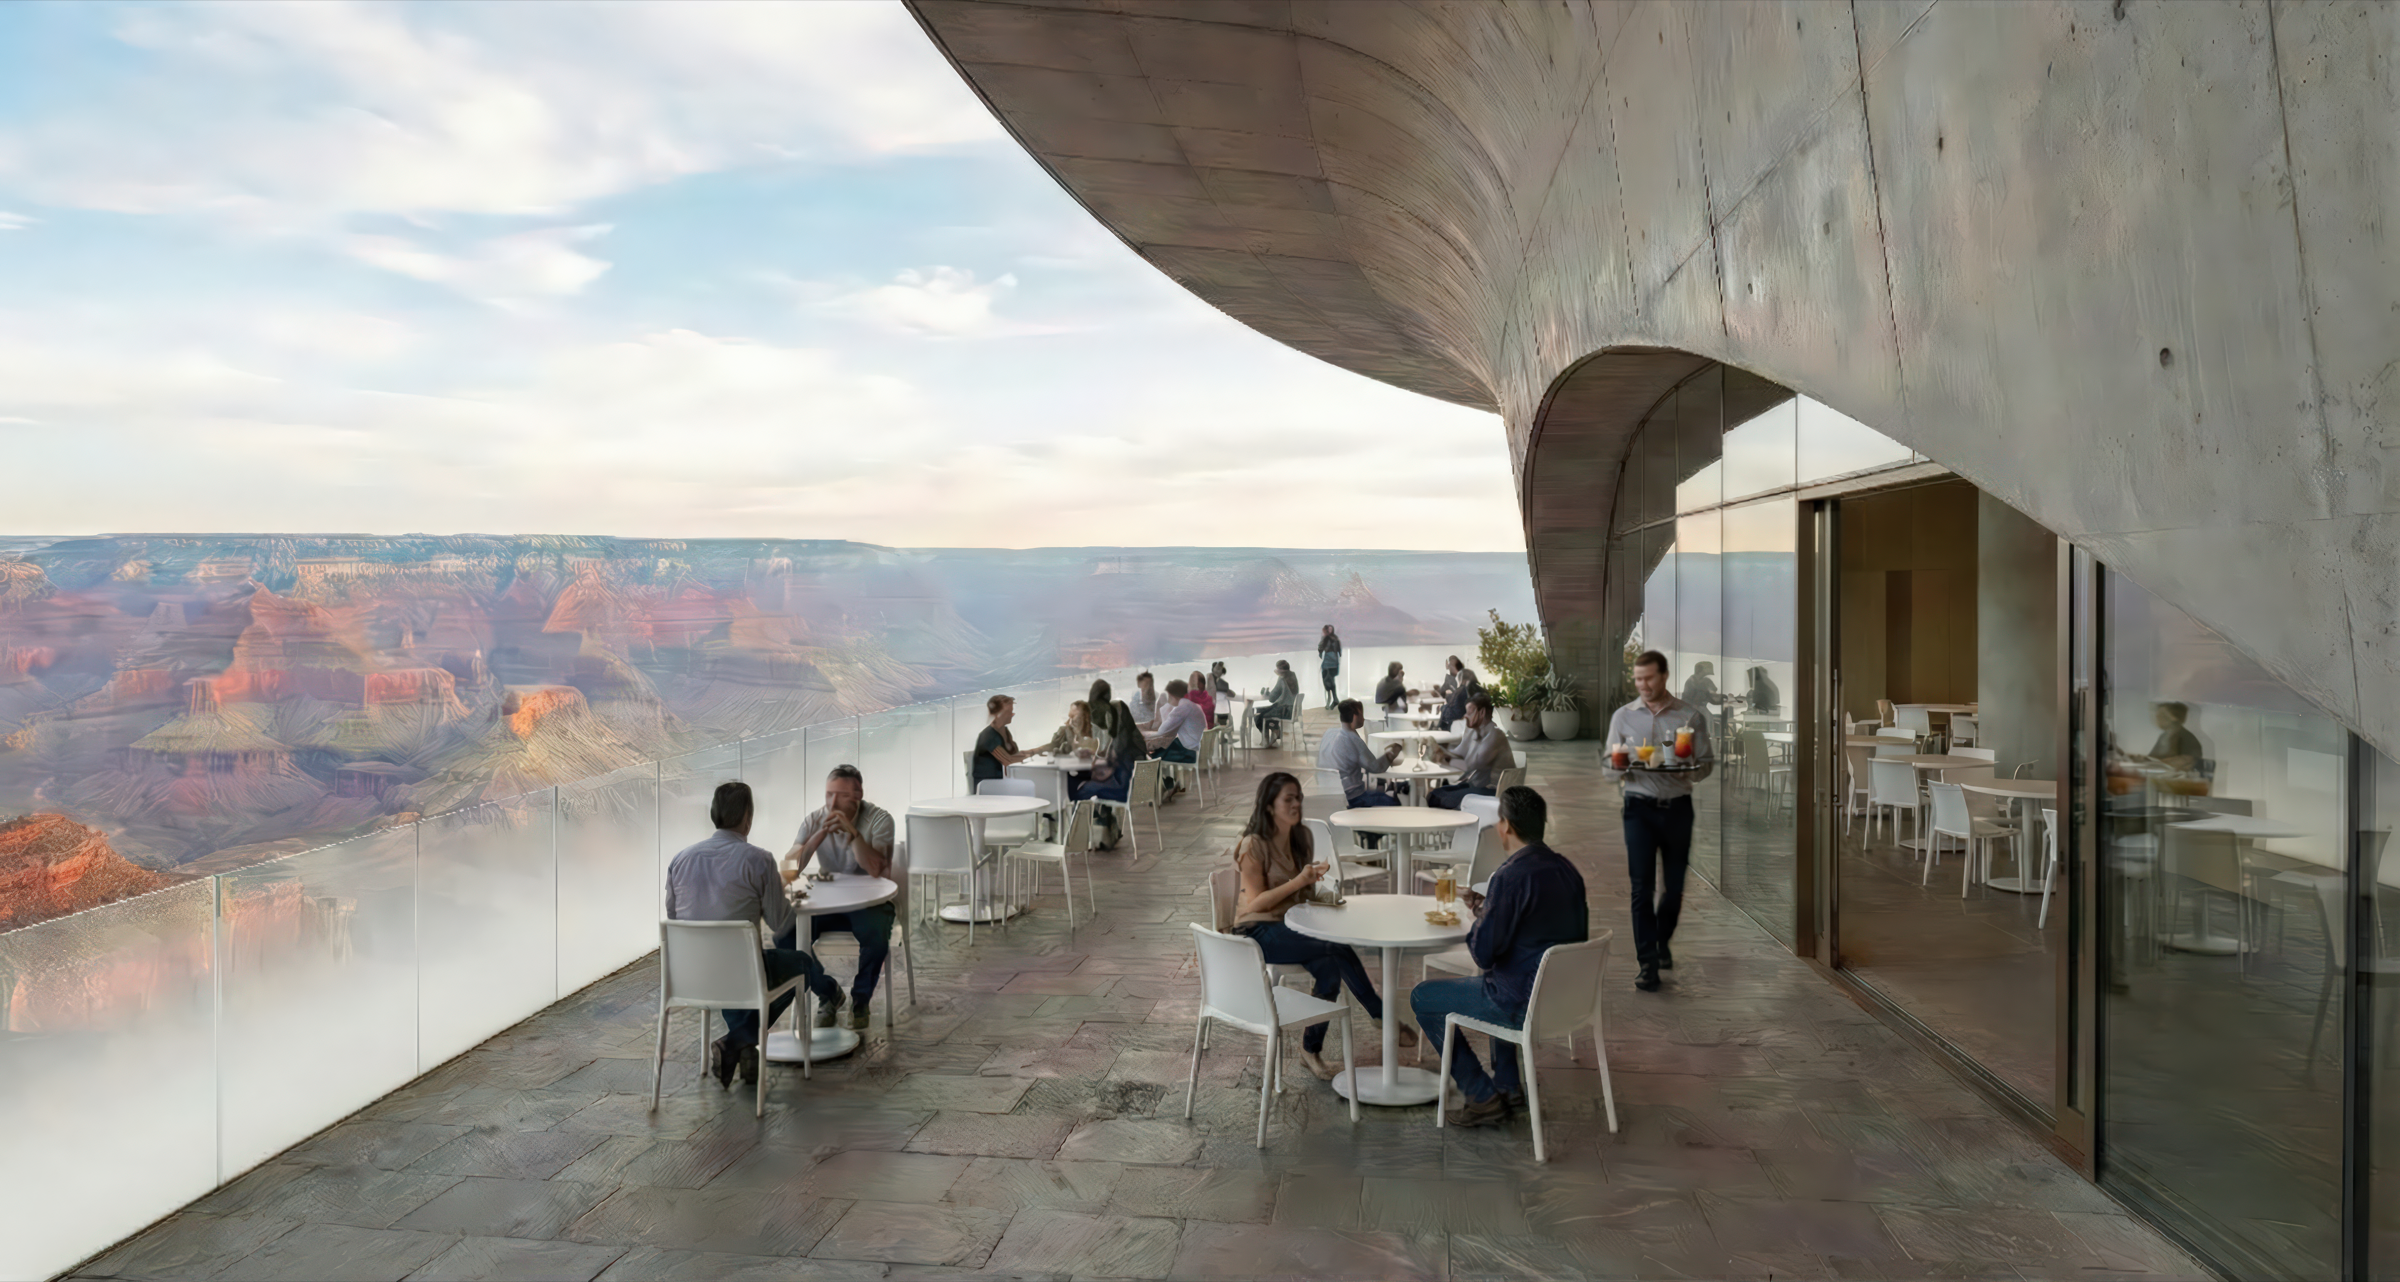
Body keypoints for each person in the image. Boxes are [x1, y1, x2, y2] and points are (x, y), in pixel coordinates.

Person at [1409, 786, 1587, 1126]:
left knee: (1425, 997)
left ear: (1504, 826)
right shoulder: (1568, 871)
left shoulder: (1509, 877)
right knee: (1505, 972)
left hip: (1522, 1003)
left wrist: (1485, 916)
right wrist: (1489, 909)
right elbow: (1545, 931)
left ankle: (1481, 1095)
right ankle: (1508, 1086)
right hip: (1566, 1001)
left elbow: (1482, 953)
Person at [1232, 771, 1412, 1079]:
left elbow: (1303, 893)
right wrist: (1299, 880)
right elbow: (1255, 903)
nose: (1296, 804)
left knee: (1329, 967)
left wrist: (1323, 894)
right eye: (1288, 799)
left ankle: (1309, 1050)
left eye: (1298, 797)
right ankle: (1380, 1013)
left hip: (1291, 927)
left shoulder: (1299, 838)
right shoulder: (1253, 844)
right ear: (1268, 805)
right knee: (1334, 944)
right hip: (1257, 931)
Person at [665, 781, 842, 1086]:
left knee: (741, 972)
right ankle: (738, 1042)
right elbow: (780, 923)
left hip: (689, 976)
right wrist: (780, 893)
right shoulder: (758, 860)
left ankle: (746, 1050)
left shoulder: (679, 860)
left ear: (713, 815)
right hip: (741, 975)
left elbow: (674, 917)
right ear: (748, 817)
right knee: (799, 964)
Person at [1603, 651, 1715, 992]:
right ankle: (1647, 962)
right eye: (1638, 679)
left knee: (1675, 887)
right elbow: (1608, 770)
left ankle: (1661, 939)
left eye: (1649, 678)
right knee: (1641, 888)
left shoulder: (1690, 716)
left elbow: (1706, 766)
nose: (1643, 685)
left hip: (1678, 807)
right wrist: (1619, 764)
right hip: (1638, 808)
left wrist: (1690, 764)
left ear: (1663, 676)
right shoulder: (1623, 717)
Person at [781, 765, 897, 1031]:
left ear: (857, 796)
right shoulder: (814, 820)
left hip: (870, 901)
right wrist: (817, 837)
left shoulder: (879, 820)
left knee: (877, 932)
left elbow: (876, 869)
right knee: (784, 935)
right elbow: (787, 871)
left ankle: (860, 1000)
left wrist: (852, 834)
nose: (832, 803)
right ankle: (828, 991)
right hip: (828, 903)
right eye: (828, 794)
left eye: (841, 796)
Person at [1074, 701, 1146, 849]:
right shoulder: (1132, 735)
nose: (1108, 720)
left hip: (1121, 790)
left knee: (1081, 789)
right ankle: (1100, 824)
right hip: (1131, 788)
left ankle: (1077, 834)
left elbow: (1112, 766)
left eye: (1110, 716)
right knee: (1090, 786)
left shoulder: (1121, 740)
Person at [1318, 698, 1405, 811]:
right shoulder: (1352, 739)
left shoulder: (1330, 733)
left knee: (1380, 791)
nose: (1363, 719)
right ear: (1355, 717)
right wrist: (1394, 751)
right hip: (1353, 798)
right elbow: (1376, 767)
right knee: (1394, 803)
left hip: (1330, 794)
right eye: (1361, 715)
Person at [1428, 691, 1510, 809]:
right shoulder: (1474, 730)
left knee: (1437, 799)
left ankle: (1448, 826)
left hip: (1494, 791)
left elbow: (1471, 765)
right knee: (1434, 794)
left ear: (1481, 712)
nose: (1466, 716)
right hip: (1476, 785)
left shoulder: (1495, 735)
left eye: (1470, 712)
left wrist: (1444, 758)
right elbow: (1459, 752)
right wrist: (1440, 751)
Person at [1145, 679, 1205, 799]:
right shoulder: (1191, 705)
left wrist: (1165, 707)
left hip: (1188, 753)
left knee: (1153, 755)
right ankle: (1167, 784)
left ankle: (1162, 787)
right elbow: (1168, 732)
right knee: (1159, 748)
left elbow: (1162, 731)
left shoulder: (1182, 708)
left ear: (1172, 695)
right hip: (1193, 748)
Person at [971, 694, 1033, 789]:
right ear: (997, 714)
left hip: (1001, 782)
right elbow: (1007, 760)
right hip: (988, 787)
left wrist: (1029, 755)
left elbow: (1014, 754)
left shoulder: (1005, 732)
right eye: (1008, 712)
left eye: (1012, 712)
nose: (1012, 715)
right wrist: (1029, 757)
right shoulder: (988, 736)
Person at [2132, 701, 2205, 773]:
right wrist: (2141, 759)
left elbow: (2186, 762)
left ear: (2174, 717)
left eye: (2162, 715)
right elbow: (2153, 757)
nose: (2157, 718)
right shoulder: (2164, 736)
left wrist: (2153, 762)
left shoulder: (2187, 738)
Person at [1254, 660, 1300, 741]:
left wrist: (1266, 693)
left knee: (1258, 716)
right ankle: (1274, 731)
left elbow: (1272, 699)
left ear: (1279, 670)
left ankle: (1270, 736)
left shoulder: (1282, 678)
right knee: (1261, 710)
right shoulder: (1293, 675)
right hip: (1291, 710)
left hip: (1284, 710)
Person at [1318, 624, 1342, 710]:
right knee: (1330, 681)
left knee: (1327, 682)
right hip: (1333, 663)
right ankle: (1334, 699)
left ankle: (1331, 699)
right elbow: (1339, 652)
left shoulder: (1328, 639)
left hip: (1329, 663)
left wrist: (1321, 651)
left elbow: (1322, 648)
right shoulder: (1335, 638)